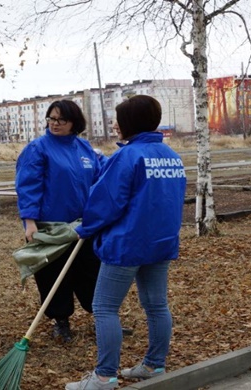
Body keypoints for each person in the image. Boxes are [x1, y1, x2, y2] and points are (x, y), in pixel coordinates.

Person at [66, 95, 187, 389]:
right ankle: (154, 365)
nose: (114, 124)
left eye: (118, 119)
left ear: (130, 122)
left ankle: (104, 376)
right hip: (160, 242)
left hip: (127, 244)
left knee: (105, 307)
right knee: (156, 304)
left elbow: (107, 200)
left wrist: (87, 228)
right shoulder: (172, 156)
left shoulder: (127, 156)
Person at [15, 99, 103, 343]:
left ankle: (102, 318)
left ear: (74, 122)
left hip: (83, 226)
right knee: (54, 275)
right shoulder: (38, 148)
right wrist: (29, 221)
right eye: (51, 119)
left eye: (60, 120)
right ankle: (60, 321)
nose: (54, 124)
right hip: (50, 227)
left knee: (91, 272)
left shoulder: (85, 149)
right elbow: (28, 186)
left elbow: (100, 179)